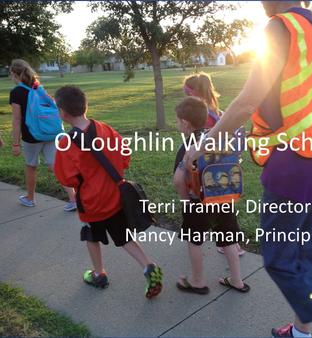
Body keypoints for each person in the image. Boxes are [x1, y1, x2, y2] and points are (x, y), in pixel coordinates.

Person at [185, 1, 312, 337]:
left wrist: (202, 144)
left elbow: (246, 101)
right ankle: (301, 330)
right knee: (301, 254)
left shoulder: (278, 27)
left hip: (294, 163)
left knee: (281, 262)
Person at [53, 85, 163, 298]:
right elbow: (124, 156)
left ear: (63, 113)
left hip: (91, 203)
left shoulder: (67, 143)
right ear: (86, 106)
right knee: (124, 236)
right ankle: (148, 266)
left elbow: (66, 177)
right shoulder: (105, 128)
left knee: (91, 235)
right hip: (115, 197)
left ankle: (99, 273)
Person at [173, 96, 250, 295]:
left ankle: (197, 281)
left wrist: (185, 201)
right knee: (228, 238)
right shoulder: (216, 137)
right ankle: (237, 280)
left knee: (195, 240)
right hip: (223, 196)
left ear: (185, 122)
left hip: (198, 200)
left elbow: (179, 180)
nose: (176, 124)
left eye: (176, 120)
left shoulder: (189, 145)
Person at [183, 72, 245, 256]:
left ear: (193, 93)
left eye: (187, 94)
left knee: (209, 208)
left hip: (206, 170)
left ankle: (220, 244)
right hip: (225, 167)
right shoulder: (217, 110)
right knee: (224, 207)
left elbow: (198, 145)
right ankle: (231, 244)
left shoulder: (203, 115)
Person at [9, 59, 76, 211]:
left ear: (14, 74)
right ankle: (74, 198)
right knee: (55, 166)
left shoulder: (17, 92)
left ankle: (30, 198)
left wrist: (15, 143)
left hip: (32, 136)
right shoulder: (38, 88)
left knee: (31, 166)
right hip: (52, 133)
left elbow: (17, 119)